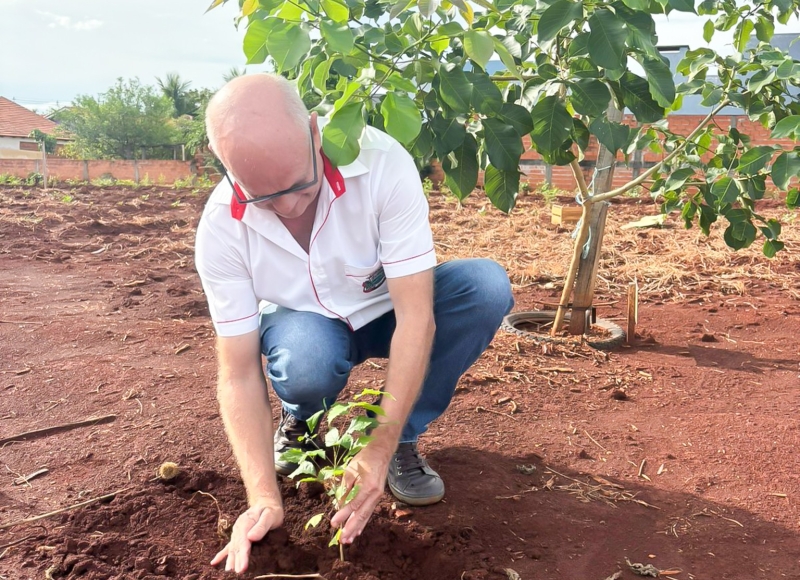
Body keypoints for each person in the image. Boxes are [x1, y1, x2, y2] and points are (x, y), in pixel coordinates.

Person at [195, 73, 514, 574]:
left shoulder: (382, 164)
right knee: (306, 361)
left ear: (314, 132)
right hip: (306, 325)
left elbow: (417, 316)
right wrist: (263, 496)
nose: (287, 206)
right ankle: (302, 421)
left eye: (297, 184)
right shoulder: (221, 228)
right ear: (226, 169)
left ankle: (401, 437)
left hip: (388, 309)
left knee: (485, 287)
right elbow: (237, 372)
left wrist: (378, 445)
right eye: (262, 197)